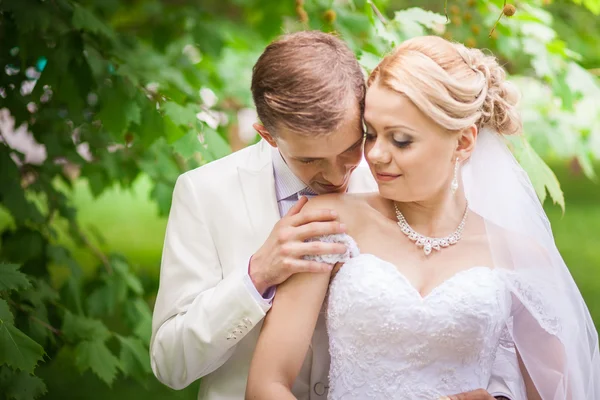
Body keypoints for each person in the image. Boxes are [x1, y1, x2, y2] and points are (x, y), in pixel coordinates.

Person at [151, 31, 519, 400]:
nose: (335, 175)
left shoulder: (395, 182)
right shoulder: (205, 193)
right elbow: (170, 363)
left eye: (350, 148)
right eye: (309, 160)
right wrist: (256, 275)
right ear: (268, 135)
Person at [245, 35, 600, 400]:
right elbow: (266, 385)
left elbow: (561, 391)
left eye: (400, 140)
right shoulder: (328, 223)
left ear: (463, 142)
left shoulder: (521, 256)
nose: (376, 155)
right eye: (371, 134)